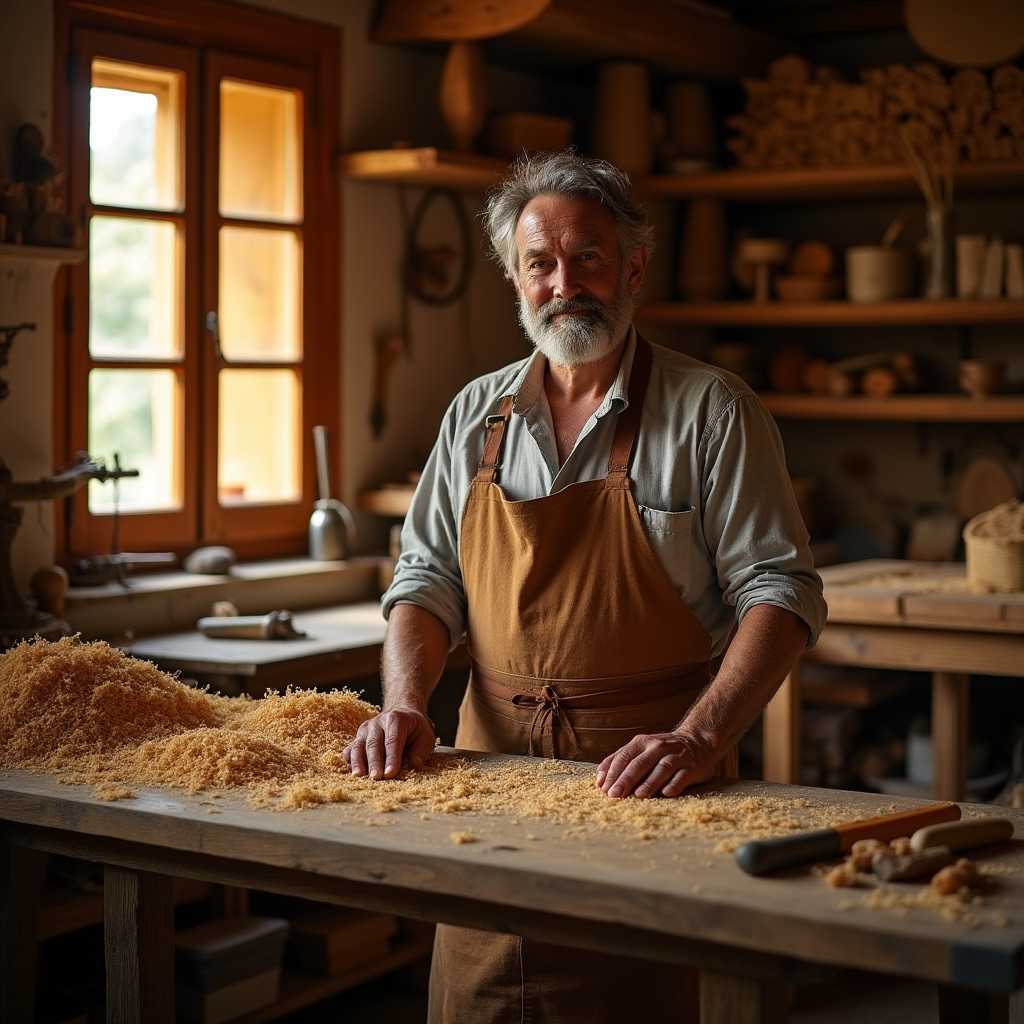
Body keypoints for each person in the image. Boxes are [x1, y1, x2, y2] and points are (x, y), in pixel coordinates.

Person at [344, 149, 827, 1023]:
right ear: (516, 278)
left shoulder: (712, 410)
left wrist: (698, 739)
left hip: (649, 783)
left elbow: (782, 594)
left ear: (632, 265)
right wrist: (406, 702)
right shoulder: (474, 417)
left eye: (588, 257)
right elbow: (424, 581)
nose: (565, 283)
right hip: (485, 787)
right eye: (540, 263)